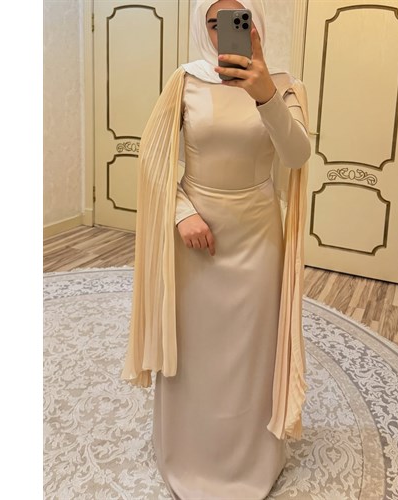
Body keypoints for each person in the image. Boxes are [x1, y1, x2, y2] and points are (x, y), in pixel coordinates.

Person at [121, 0, 311, 498]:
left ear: (256, 25)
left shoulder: (285, 85)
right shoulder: (184, 81)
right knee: (196, 347)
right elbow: (154, 158)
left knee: (250, 349)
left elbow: (297, 156)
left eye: (239, 21)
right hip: (196, 236)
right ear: (203, 28)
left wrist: (265, 95)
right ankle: (189, 452)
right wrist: (182, 212)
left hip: (257, 236)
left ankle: (249, 458)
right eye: (215, 23)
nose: (225, 32)